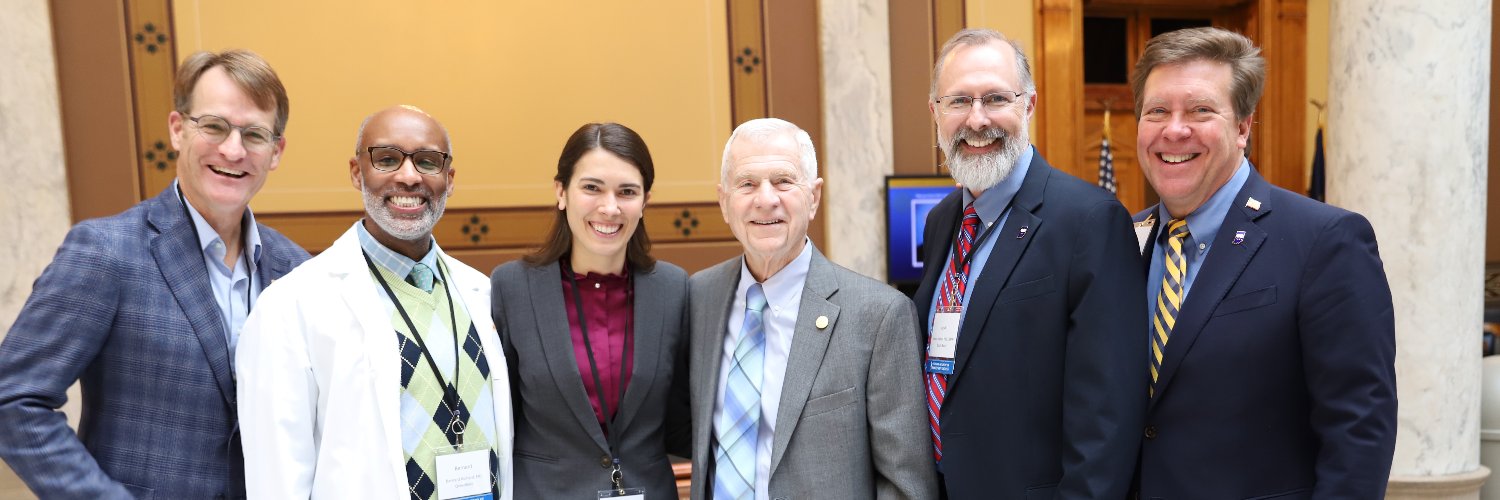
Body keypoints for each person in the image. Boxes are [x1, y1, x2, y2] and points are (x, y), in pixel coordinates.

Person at [0, 50, 307, 499]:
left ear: (276, 151)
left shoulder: (297, 270)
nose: (233, 150)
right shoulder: (106, 252)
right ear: (177, 130)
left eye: (255, 134)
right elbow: (14, 399)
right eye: (214, 126)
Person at [1131, 27, 1396, 498]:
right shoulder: (1120, 240)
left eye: (1200, 110)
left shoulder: (1325, 241)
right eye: (1157, 111)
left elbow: (1358, 431)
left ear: (1242, 126)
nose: (1174, 129)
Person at [236, 105, 514, 499]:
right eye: (386, 159)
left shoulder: (481, 293)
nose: (408, 176)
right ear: (356, 172)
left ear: (449, 180)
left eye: (427, 162)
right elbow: (277, 480)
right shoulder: (291, 305)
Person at [914, 28, 1146, 498]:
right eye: (959, 101)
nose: (976, 120)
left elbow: (1108, 418)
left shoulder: (1090, 221)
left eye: (995, 98)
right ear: (935, 113)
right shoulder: (942, 222)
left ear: (1030, 105)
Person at [688, 118, 936, 500]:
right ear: (724, 201)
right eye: (747, 183)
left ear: (814, 197)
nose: (765, 199)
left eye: (783, 181)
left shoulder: (879, 315)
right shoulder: (698, 298)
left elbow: (906, 485)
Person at [490, 122, 690, 499]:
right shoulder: (511, 288)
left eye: (627, 192)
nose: (609, 208)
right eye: (592, 188)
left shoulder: (674, 290)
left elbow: (683, 420)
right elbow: (499, 421)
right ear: (561, 192)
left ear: (645, 201)